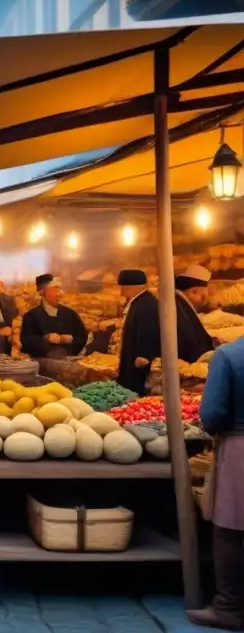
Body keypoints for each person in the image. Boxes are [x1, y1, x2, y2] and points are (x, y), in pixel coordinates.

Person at [189, 336, 244, 629]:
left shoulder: (229, 355)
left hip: (239, 448)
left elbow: (212, 414)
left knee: (231, 530)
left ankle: (229, 608)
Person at [19, 274, 89, 359]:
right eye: (54, 289)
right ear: (42, 292)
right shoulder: (31, 316)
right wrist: (46, 339)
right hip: (41, 362)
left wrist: (71, 341)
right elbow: (26, 342)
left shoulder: (70, 314)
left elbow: (82, 336)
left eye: (60, 289)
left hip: (67, 359)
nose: (59, 294)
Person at [115, 268, 161, 395]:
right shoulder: (141, 301)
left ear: (129, 287)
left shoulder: (146, 304)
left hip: (138, 363)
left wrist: (144, 355)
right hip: (133, 358)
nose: (121, 291)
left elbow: (149, 330)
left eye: (122, 288)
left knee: (135, 392)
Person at [175, 264, 216, 364]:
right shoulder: (178, 308)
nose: (204, 302)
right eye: (203, 296)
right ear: (194, 292)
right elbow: (189, 345)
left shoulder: (179, 303)